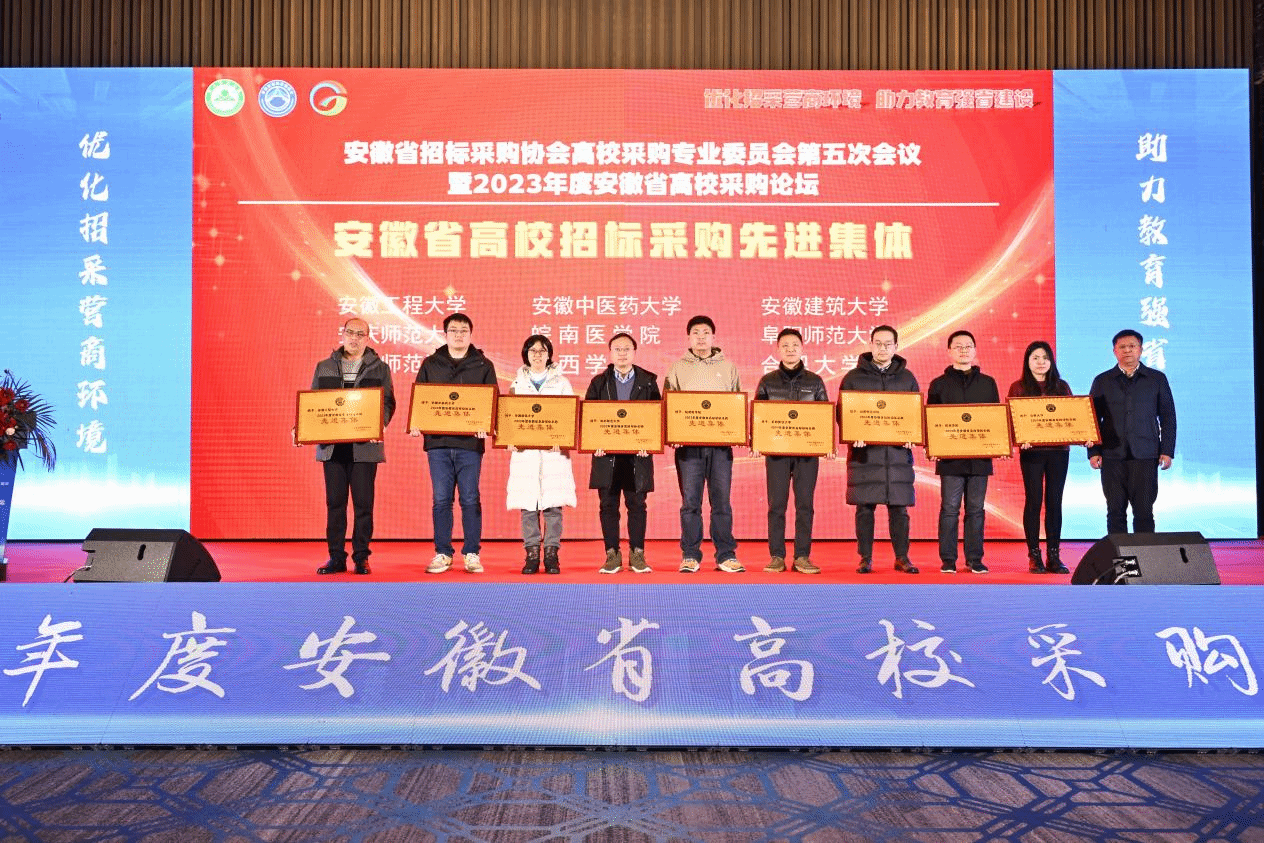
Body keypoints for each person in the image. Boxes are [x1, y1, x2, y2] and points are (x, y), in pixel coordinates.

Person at [306, 317, 396, 576]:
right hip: (333, 447)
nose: (354, 338)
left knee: (363, 506)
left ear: (368, 338)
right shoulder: (324, 366)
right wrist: (303, 427)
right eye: (350, 332)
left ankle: (361, 557)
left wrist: (380, 425)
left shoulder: (380, 368)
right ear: (342, 334)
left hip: (364, 447)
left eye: (360, 334)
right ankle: (336, 557)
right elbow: (313, 403)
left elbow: (388, 402)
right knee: (335, 505)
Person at [410, 313, 498, 574]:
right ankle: (443, 552)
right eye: (453, 330)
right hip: (438, 444)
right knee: (441, 499)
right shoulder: (430, 363)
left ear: (471, 334)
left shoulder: (483, 365)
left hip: (470, 444)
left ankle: (472, 553)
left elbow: (492, 401)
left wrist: (487, 423)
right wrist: (417, 422)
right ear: (445, 334)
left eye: (463, 330)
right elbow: (421, 398)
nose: (458, 335)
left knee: (470, 498)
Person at [664, 315, 743, 574]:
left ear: (713, 337)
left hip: (720, 447)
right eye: (696, 332)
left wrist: (736, 433)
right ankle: (690, 555)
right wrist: (673, 434)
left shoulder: (728, 368)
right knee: (691, 503)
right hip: (688, 448)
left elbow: (737, 406)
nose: (701, 337)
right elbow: (668, 405)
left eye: (705, 332)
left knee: (721, 502)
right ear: (688, 337)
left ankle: (726, 555)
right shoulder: (677, 368)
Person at [841, 325, 920, 575]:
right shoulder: (853, 377)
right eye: (878, 343)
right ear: (870, 344)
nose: (883, 348)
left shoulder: (907, 378)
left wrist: (913, 435)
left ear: (896, 346)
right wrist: (853, 433)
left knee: (899, 509)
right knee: (865, 509)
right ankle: (865, 558)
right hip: (865, 455)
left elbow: (915, 414)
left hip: (897, 455)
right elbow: (843, 413)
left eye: (888, 344)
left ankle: (902, 558)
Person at [753, 328, 829, 574]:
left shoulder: (815, 381)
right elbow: (758, 416)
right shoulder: (768, 381)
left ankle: (802, 556)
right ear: (778, 349)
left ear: (802, 348)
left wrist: (827, 444)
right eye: (785, 345)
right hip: (777, 452)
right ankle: (776, 556)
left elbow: (825, 416)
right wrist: (757, 442)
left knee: (805, 505)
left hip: (807, 453)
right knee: (777, 505)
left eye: (795, 345)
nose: (790, 349)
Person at [586, 332, 661, 574]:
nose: (622, 353)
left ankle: (637, 553)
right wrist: (594, 442)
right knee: (608, 505)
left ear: (634, 352)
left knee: (637, 505)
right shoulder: (599, 382)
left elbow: (657, 416)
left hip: (637, 456)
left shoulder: (648, 381)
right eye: (617, 349)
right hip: (606, 455)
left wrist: (649, 443)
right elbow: (589, 419)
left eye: (626, 348)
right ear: (610, 353)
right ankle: (612, 554)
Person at [1088, 329, 1176, 534]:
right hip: (1111, 455)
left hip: (1146, 454)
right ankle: (1120, 557)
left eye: (1132, 346)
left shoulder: (1156, 379)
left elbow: (1168, 417)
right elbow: (1092, 419)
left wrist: (1167, 450)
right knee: (1115, 512)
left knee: (1144, 512)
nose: (1127, 350)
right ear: (1114, 351)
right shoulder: (1102, 380)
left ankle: (1145, 554)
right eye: (1122, 347)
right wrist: (1093, 451)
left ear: (1141, 349)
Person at [927, 330, 1000, 575]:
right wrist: (933, 447)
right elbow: (931, 421)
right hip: (950, 459)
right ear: (949, 351)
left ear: (975, 350)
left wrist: (998, 444)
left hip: (979, 458)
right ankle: (948, 559)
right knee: (949, 509)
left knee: (976, 510)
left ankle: (974, 559)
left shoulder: (988, 383)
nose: (963, 350)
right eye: (958, 346)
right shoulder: (938, 384)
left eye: (968, 346)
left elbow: (995, 420)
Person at [507, 335, 577, 575]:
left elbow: (570, 417)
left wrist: (563, 439)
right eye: (533, 351)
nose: (537, 355)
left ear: (549, 355)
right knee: (528, 505)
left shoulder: (562, 382)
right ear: (526, 354)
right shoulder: (516, 383)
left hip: (553, 453)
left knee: (553, 506)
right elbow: (508, 418)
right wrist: (509, 439)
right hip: (525, 454)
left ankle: (551, 553)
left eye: (542, 351)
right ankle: (532, 553)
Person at [1008, 341, 1074, 575]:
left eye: (1045, 357)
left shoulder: (1062, 386)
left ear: (1051, 361)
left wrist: (1083, 435)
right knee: (1034, 500)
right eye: (1035, 357)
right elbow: (1011, 419)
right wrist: (1019, 439)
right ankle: (1034, 555)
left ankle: (1054, 555)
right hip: (1032, 452)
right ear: (1027, 361)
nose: (1040, 362)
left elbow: (1073, 417)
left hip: (1059, 451)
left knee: (1055, 501)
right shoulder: (1018, 387)